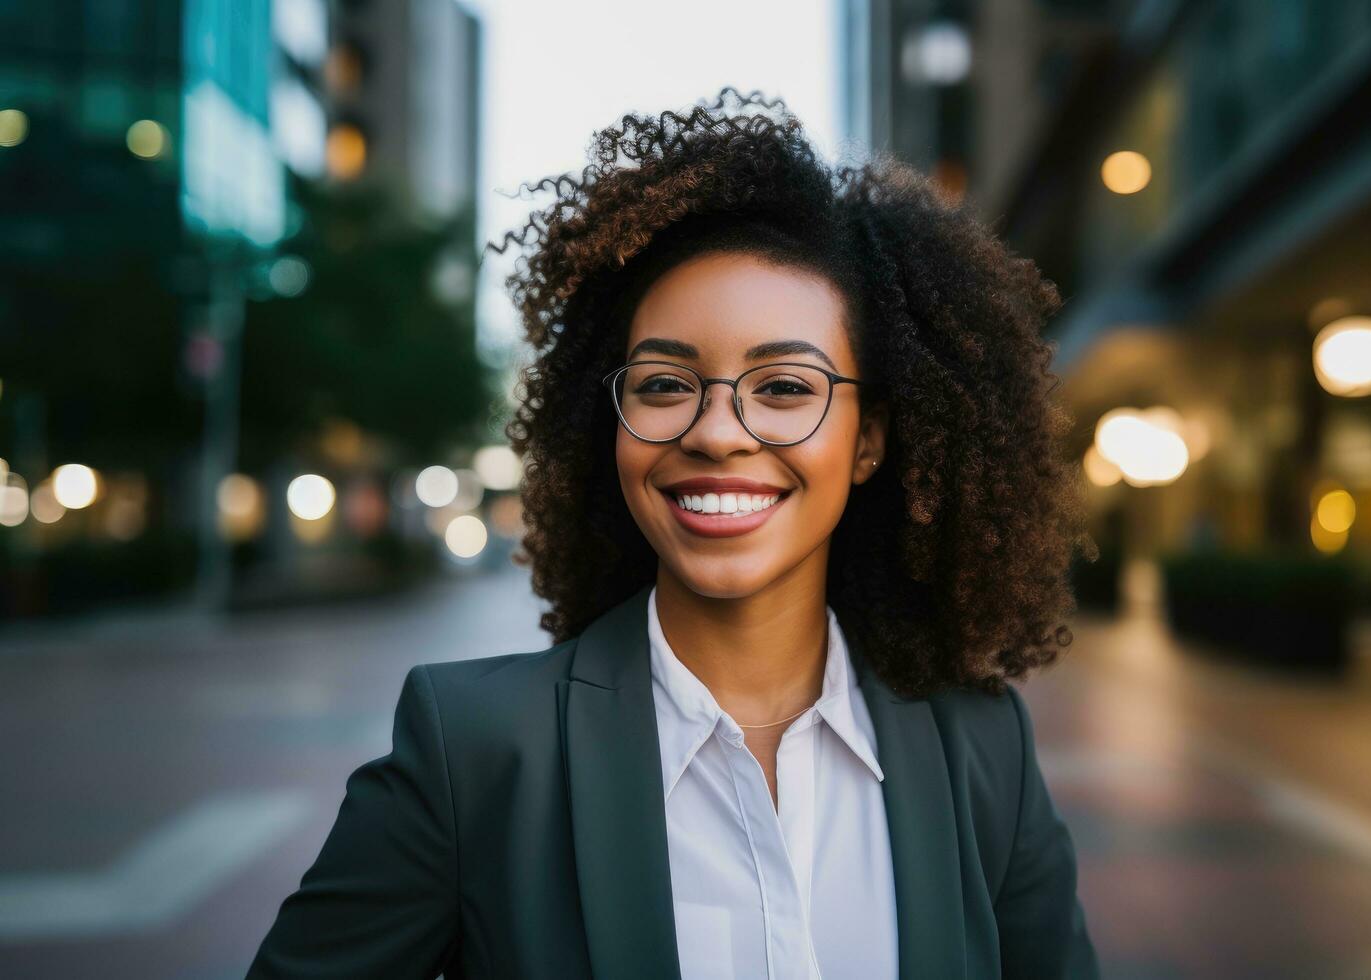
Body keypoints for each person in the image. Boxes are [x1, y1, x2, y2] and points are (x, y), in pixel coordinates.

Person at [247, 86, 1101, 980]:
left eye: (783, 388)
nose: (717, 432)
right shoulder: (475, 750)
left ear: (871, 442)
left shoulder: (980, 746)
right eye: (662, 384)